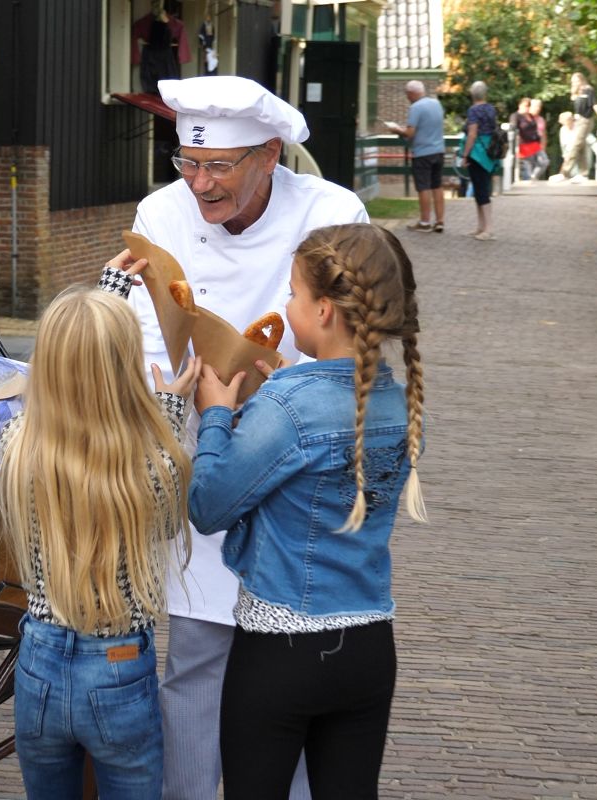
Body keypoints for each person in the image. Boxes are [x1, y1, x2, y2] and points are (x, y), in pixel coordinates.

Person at [116, 74, 368, 800]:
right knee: (195, 653)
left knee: (287, 660)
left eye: (218, 165)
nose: (198, 183)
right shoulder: (160, 212)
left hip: (295, 461)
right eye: (186, 163)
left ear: (268, 156)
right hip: (198, 446)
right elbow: (139, 329)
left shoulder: (331, 211)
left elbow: (356, 339)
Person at [188, 222, 428, 800]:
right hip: (370, 648)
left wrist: (218, 414)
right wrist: (275, 402)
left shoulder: (287, 404)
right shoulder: (396, 400)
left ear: (324, 310)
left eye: (292, 293)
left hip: (282, 652)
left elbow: (208, 505)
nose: (286, 305)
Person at [0, 280, 197, 800]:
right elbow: (170, 520)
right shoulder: (156, 462)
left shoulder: (17, 444)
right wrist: (175, 408)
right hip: (118, 665)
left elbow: (75, 361)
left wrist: (106, 287)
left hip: (37, 664)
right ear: (126, 371)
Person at [384, 80, 446, 232]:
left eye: (407, 94)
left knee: (423, 187)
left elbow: (410, 133)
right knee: (437, 186)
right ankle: (440, 221)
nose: (407, 98)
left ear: (412, 93)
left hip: (422, 153)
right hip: (438, 150)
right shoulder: (436, 104)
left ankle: (425, 222)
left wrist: (396, 130)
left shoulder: (416, 107)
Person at [455, 81, 498, 240]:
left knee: (481, 191)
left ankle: (488, 228)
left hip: (477, 154)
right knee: (482, 189)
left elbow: (472, 134)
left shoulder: (473, 110)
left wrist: (465, 155)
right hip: (489, 153)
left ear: (472, 94)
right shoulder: (491, 109)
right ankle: (481, 227)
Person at [566, 73, 597, 182]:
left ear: (582, 80)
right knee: (581, 147)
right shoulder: (575, 92)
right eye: (573, 81)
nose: (575, 83)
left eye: (576, 80)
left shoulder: (588, 90)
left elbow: (594, 105)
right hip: (578, 121)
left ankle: (564, 171)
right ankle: (583, 173)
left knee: (576, 145)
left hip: (586, 120)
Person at [525, 98, 550, 181]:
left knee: (544, 161)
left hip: (537, 146)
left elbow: (544, 134)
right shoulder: (525, 118)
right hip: (527, 145)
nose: (538, 108)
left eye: (539, 106)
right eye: (536, 106)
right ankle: (530, 180)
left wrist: (543, 146)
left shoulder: (541, 119)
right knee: (529, 165)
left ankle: (533, 177)